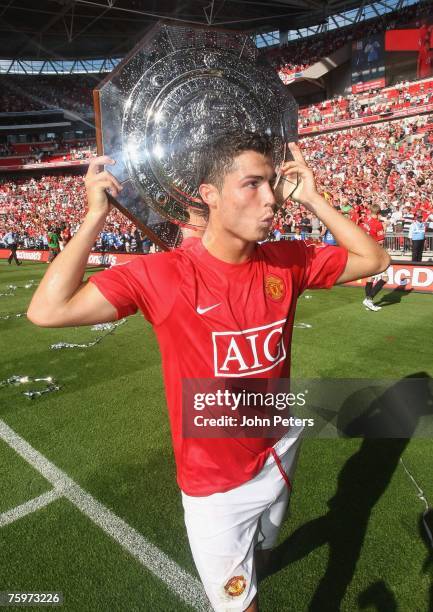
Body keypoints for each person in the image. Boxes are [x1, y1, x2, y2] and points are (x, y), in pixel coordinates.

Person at [27, 133, 389, 612]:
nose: (272, 200)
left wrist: (314, 198)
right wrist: (96, 215)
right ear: (210, 194)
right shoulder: (161, 274)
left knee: (264, 547)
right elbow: (47, 311)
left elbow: (375, 260)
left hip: (279, 441)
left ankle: (257, 559)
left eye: (273, 184)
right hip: (214, 484)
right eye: (252, 185)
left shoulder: (288, 260)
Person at [361, 204, 387, 312]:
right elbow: (380, 242)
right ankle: (369, 299)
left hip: (366, 251)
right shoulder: (378, 224)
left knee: (370, 278)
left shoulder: (365, 221)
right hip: (375, 253)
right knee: (385, 278)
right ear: (379, 212)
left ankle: (368, 301)